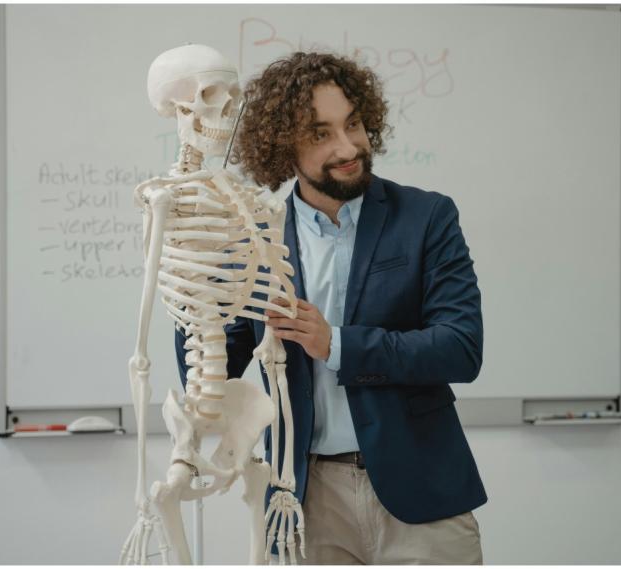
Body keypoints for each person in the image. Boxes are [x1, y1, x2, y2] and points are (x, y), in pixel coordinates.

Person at [175, 51, 486, 565]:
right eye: (321, 134)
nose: (347, 147)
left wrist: (336, 343)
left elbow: (460, 348)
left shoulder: (427, 216)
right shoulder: (254, 239)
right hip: (303, 499)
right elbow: (212, 368)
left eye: (353, 124)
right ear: (282, 147)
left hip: (422, 493)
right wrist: (194, 292)